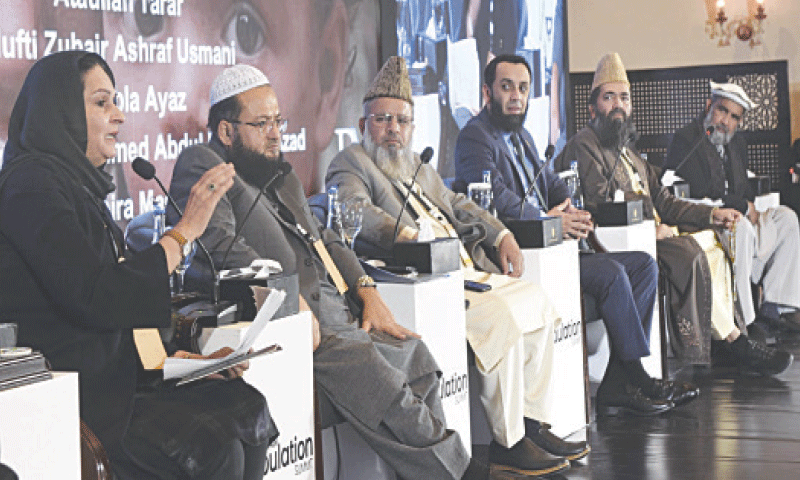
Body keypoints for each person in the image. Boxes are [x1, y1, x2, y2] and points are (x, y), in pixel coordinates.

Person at [169, 64, 497, 480]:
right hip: (293, 323)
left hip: (334, 311)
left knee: (417, 358)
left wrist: (367, 289)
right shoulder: (202, 164)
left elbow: (324, 237)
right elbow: (221, 247)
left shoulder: (278, 174)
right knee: (380, 381)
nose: (275, 133)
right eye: (262, 123)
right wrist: (287, 298)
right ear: (226, 132)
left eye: (278, 121)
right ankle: (465, 474)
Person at [0, 51, 276, 479]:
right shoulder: (30, 185)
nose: (120, 115)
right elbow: (96, 295)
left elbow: (116, 303)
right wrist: (182, 234)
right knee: (216, 447)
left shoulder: (74, 186)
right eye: (101, 102)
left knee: (246, 407)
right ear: (60, 111)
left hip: (118, 378)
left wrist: (181, 361)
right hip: (81, 393)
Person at [327, 56, 585, 477]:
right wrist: (413, 238)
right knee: (501, 315)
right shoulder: (351, 163)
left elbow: (460, 204)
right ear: (363, 125)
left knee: (536, 300)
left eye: (402, 121)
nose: (393, 129)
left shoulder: (418, 166)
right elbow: (357, 213)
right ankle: (508, 443)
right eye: (383, 119)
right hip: (423, 278)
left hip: (464, 267)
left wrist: (501, 234)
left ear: (412, 127)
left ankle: (534, 424)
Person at [453, 54, 698, 416]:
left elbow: (550, 183)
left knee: (644, 265)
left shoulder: (523, 136)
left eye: (523, 88)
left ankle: (618, 380)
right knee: (613, 274)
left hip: (555, 249)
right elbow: (495, 198)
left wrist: (571, 209)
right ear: (488, 92)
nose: (516, 96)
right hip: (520, 254)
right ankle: (637, 377)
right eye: (507, 87)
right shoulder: (475, 137)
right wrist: (546, 219)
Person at [557, 52, 793, 376]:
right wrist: (647, 228)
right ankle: (726, 345)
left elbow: (666, 203)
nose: (617, 105)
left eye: (623, 97)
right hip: (619, 241)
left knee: (713, 241)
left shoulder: (628, 151)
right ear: (592, 106)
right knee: (689, 253)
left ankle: (728, 338)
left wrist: (713, 214)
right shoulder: (584, 145)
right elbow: (598, 203)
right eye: (608, 97)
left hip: (653, 233)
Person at [664, 82, 800, 341]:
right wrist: (743, 207)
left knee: (787, 219)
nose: (725, 121)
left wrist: (749, 206)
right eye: (721, 111)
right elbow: (699, 188)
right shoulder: (687, 139)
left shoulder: (737, 145)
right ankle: (745, 320)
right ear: (708, 107)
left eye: (734, 117)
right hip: (705, 216)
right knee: (743, 227)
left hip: (738, 212)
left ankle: (780, 306)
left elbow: (744, 188)